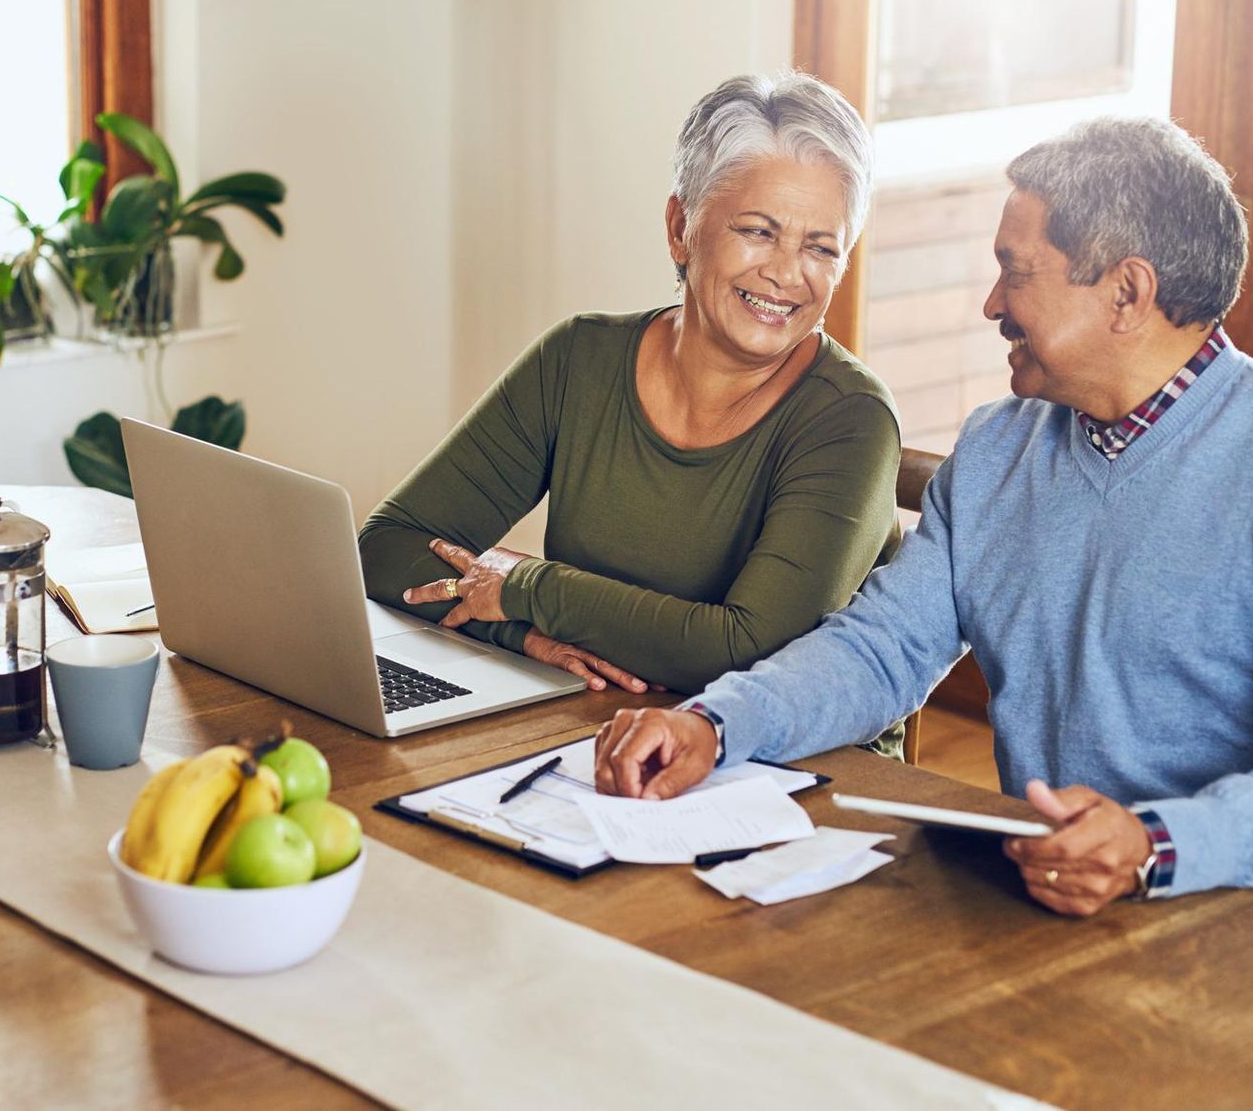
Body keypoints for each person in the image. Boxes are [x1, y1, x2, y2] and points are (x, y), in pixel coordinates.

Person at [592, 115, 1253, 922]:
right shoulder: (998, 448)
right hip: (1068, 892)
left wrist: (1153, 846)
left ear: (1127, 292)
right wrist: (715, 721)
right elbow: (880, 649)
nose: (991, 302)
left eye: (1015, 270)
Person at [358, 72, 905, 752]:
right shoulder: (578, 359)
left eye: (821, 247)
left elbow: (754, 650)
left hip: (791, 768)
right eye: (759, 232)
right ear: (681, 227)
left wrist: (531, 587)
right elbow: (386, 547)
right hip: (598, 729)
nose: (788, 273)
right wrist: (517, 629)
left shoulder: (851, 419)